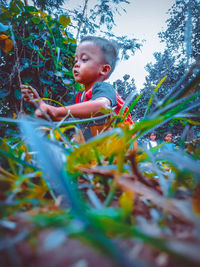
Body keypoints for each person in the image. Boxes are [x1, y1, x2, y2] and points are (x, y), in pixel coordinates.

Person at [20, 36, 133, 139]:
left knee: (97, 116)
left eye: (84, 59)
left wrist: (56, 111)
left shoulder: (103, 88)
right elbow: (60, 117)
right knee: (67, 127)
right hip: (99, 148)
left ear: (104, 70)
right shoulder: (78, 97)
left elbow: (102, 106)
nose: (76, 64)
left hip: (125, 147)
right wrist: (39, 102)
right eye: (76, 60)